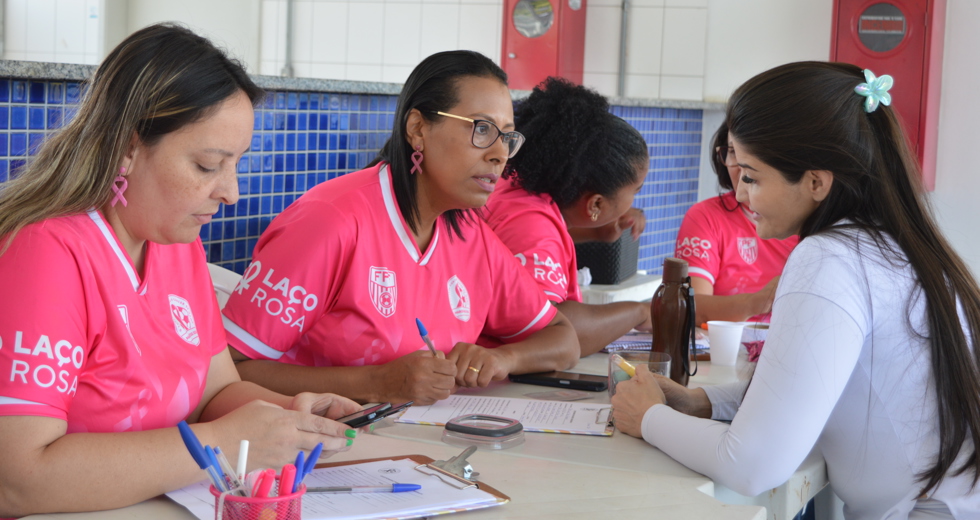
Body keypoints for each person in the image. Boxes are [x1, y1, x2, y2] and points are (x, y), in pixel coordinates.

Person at [0, 24, 362, 517]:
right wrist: (226, 440)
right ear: (127, 147)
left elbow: (213, 391)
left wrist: (291, 415)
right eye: (208, 165)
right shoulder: (45, 252)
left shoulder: (174, 241)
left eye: (236, 163)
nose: (230, 192)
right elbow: (17, 480)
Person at [612, 62, 980, 519]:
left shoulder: (829, 258)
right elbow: (817, 389)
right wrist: (703, 401)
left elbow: (753, 465)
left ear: (816, 181)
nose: (740, 195)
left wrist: (648, 418)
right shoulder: (898, 245)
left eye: (750, 176)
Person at [222, 51, 580, 406]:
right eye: (482, 129)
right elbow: (230, 370)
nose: (500, 153)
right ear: (418, 128)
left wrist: (504, 358)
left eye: (507, 136)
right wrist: (377, 383)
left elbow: (564, 340)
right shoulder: (332, 220)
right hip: (319, 450)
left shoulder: (471, 233)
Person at [482, 77, 651, 357]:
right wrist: (639, 312)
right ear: (595, 203)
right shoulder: (532, 225)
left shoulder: (517, 191)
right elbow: (551, 330)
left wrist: (594, 232)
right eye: (636, 190)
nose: (634, 203)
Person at [675, 122, 798, 325]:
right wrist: (757, 302)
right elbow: (689, 307)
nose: (742, 171)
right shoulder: (706, 216)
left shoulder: (817, 225)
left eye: (751, 154)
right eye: (733, 151)